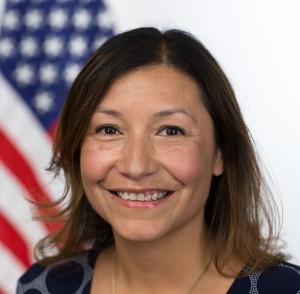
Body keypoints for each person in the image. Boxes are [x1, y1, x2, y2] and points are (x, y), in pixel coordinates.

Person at [17, 27, 300, 293]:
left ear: (220, 153)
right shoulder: (43, 286)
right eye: (109, 130)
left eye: (170, 131)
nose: (136, 166)